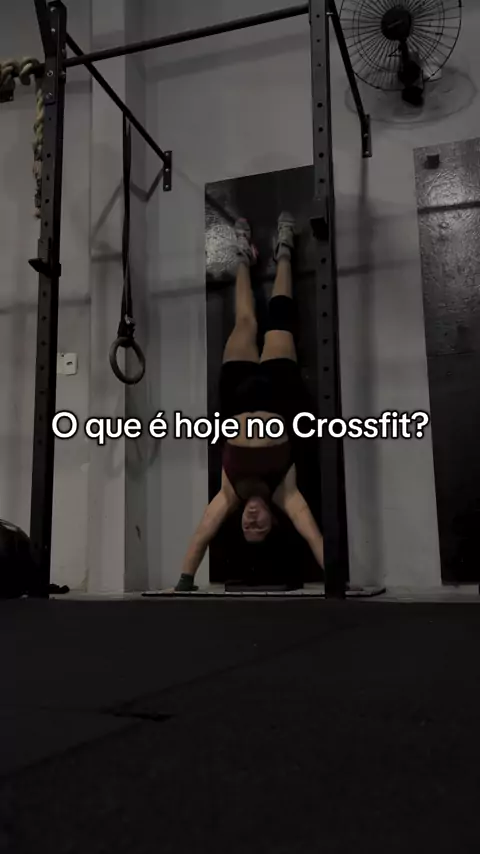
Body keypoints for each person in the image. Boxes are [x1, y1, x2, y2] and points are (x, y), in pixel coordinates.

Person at [175, 212, 324, 592]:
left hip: (237, 395)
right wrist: (334, 579)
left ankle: (243, 256)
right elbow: (311, 532)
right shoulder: (285, 493)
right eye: (260, 526)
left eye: (247, 527)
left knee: (244, 322)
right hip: (278, 391)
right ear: (274, 520)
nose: (252, 521)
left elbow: (203, 532)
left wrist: (185, 581)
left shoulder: (229, 494)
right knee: (279, 319)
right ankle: (284, 252)